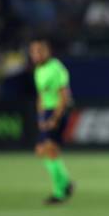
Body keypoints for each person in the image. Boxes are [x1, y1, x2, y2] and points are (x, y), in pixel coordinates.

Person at [29, 38, 75, 204]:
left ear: (47, 51)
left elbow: (64, 96)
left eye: (39, 51)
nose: (36, 55)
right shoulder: (38, 70)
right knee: (43, 150)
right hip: (47, 112)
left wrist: (55, 118)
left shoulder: (55, 69)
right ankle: (66, 183)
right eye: (33, 52)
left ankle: (59, 192)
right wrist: (41, 117)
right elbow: (41, 96)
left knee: (48, 149)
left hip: (58, 111)